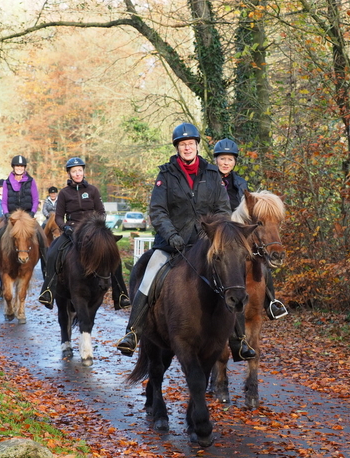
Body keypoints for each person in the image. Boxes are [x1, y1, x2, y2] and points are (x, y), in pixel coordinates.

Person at [117, 122, 232, 356]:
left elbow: (223, 210)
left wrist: (207, 235)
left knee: (231, 276)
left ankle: (239, 338)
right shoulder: (166, 174)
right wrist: (172, 236)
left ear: (197, 146)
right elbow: (158, 210)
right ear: (177, 148)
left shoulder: (212, 174)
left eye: (190, 144)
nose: (187, 148)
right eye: (183, 145)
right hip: (171, 244)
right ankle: (133, 332)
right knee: (149, 274)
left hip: (204, 245)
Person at [213, 139, 288, 361]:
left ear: (234, 162)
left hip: (239, 234)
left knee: (261, 265)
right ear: (216, 160)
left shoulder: (241, 184)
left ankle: (272, 302)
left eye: (230, 159)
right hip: (217, 232)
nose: (226, 163)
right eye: (222, 159)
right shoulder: (208, 179)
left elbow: (251, 211)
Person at [37, 158, 108, 308]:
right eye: (74, 171)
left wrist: (98, 225)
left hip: (92, 230)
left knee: (111, 251)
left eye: (80, 171)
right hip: (72, 230)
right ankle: (48, 290)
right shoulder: (63, 193)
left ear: (83, 171)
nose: (77, 174)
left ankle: (120, 293)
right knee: (53, 252)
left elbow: (101, 211)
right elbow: (58, 216)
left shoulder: (93, 190)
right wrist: (65, 227)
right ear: (69, 173)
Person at [0, 156, 47, 279]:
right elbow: (4, 201)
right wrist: (6, 214)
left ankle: (47, 268)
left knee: (42, 236)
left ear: (24, 168)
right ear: (13, 167)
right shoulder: (7, 182)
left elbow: (35, 199)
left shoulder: (31, 181)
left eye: (21, 166)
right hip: (11, 216)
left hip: (27, 216)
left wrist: (32, 213)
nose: (19, 168)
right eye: (17, 166)